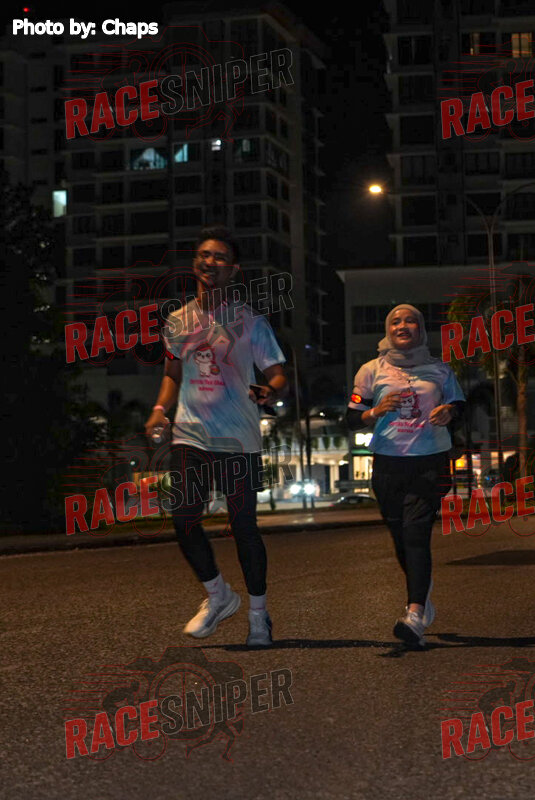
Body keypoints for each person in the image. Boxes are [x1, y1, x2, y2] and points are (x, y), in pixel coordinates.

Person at [145, 226, 287, 647]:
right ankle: (218, 594)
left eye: (220, 256)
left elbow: (277, 373)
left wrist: (270, 390)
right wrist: (159, 411)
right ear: (196, 263)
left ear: (234, 269)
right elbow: (172, 374)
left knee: (244, 527)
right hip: (190, 434)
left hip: (239, 439)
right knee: (184, 518)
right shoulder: (177, 321)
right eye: (204, 255)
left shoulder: (250, 322)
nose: (210, 262)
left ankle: (259, 616)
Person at [346, 304, 465, 646]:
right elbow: (351, 418)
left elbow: (460, 406)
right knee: (401, 537)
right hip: (388, 464)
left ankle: (414, 615)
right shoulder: (371, 370)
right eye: (396, 321)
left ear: (420, 329)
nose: (403, 325)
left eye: (410, 320)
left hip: (429, 462)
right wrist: (375, 410)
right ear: (388, 330)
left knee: (415, 533)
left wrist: (449, 410)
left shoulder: (439, 369)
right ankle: (421, 596)